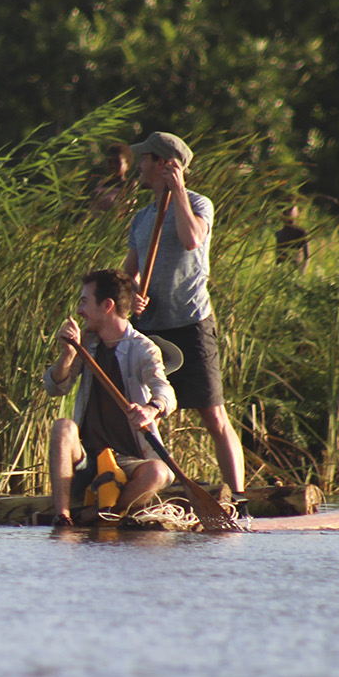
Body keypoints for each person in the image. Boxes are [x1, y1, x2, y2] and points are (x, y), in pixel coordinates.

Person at [123, 131, 245, 492]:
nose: (140, 165)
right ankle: (158, 485)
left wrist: (176, 191)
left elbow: (192, 240)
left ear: (164, 164)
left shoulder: (198, 204)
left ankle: (238, 497)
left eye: (146, 159)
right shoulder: (141, 217)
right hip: (151, 327)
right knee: (151, 411)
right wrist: (132, 295)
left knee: (213, 414)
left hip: (191, 323)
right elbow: (128, 272)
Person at [44, 269, 177, 525]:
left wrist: (150, 409)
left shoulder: (142, 348)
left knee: (158, 471)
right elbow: (55, 387)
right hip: (87, 460)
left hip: (128, 461)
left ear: (107, 306)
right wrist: (68, 354)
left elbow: (166, 392)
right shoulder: (86, 343)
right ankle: (63, 516)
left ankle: (109, 515)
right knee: (63, 427)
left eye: (84, 301)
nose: (79, 310)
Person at [89, 143, 134, 214]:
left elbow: (129, 207)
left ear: (127, 164)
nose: (113, 165)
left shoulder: (129, 184)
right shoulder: (102, 183)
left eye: (117, 162)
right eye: (110, 162)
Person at [275, 204, 310, 269]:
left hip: (295, 270)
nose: (288, 214)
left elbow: (307, 257)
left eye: (290, 210)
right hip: (282, 270)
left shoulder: (302, 233)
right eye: (285, 212)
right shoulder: (278, 234)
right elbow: (278, 257)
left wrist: (302, 272)